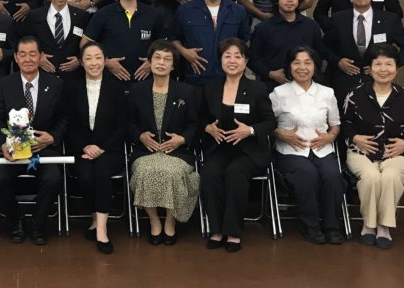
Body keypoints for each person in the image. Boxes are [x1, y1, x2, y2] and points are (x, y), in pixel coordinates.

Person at [342, 43, 404, 249]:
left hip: (396, 154)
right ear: (370, 68)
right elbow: (344, 123)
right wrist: (355, 138)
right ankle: (369, 224)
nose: (383, 69)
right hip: (361, 153)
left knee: (391, 176)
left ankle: (384, 226)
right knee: (371, 177)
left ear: (396, 68)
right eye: (378, 64)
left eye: (389, 64)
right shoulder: (355, 94)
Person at [199, 38, 277, 251]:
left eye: (237, 56)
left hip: (249, 151)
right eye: (227, 56)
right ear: (220, 60)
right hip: (219, 148)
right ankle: (216, 230)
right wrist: (208, 127)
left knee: (235, 173)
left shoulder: (257, 88)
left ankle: (233, 232)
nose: (232, 61)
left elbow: (270, 122)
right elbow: (201, 118)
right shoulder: (211, 87)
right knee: (210, 174)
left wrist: (249, 130)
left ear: (246, 61)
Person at [0, 36, 67, 245]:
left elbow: (64, 118)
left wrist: (53, 137)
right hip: (13, 150)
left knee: (53, 179)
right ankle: (17, 222)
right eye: (22, 54)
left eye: (33, 54)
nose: (28, 59)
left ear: (41, 56)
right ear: (15, 57)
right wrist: (3, 144)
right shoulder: (3, 84)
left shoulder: (56, 84)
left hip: (44, 150)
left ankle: (38, 224)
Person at [127, 40, 200, 245]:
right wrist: (140, 136)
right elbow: (128, 123)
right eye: (157, 58)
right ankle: (154, 220)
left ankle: (170, 221)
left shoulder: (186, 91)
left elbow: (194, 124)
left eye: (167, 59)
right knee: (145, 171)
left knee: (173, 172)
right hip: (146, 151)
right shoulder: (137, 91)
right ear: (149, 62)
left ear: (173, 65)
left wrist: (182, 139)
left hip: (177, 152)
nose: (161, 63)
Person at [270, 46, 344, 245]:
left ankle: (331, 226)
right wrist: (279, 133)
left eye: (307, 62)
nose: (302, 67)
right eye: (296, 62)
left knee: (332, 176)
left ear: (315, 66)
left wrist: (330, 136)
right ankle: (310, 225)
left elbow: (336, 124)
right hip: (290, 150)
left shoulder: (327, 93)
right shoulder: (279, 93)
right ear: (289, 66)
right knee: (307, 173)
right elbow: (267, 123)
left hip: (322, 149)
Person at [65, 42, 128, 254]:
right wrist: (85, 146)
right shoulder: (71, 88)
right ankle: (94, 218)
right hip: (81, 149)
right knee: (85, 176)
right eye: (88, 58)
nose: (94, 63)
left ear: (105, 60)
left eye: (98, 57)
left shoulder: (116, 88)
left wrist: (101, 147)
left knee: (101, 170)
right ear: (81, 62)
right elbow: (68, 124)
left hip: (110, 149)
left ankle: (101, 229)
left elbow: (122, 126)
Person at [322, 0, 404, 104]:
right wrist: (337, 61)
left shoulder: (389, 20)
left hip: (376, 82)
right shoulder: (338, 19)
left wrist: (387, 65)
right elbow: (323, 47)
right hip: (344, 82)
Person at [169, 0, 252, 86]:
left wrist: (236, 60)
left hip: (229, 80)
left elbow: (246, 41)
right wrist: (184, 52)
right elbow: (173, 39)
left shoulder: (238, 11)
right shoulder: (184, 10)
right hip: (195, 79)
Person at [83, 0, 168, 84]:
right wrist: (106, 62)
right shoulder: (103, 14)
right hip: (110, 82)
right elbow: (84, 44)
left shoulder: (154, 14)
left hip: (145, 83)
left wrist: (153, 62)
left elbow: (165, 46)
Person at [249, 0, 325, 90]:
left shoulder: (311, 26)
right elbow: (252, 60)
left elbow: (319, 56)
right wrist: (271, 74)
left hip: (305, 87)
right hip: (272, 88)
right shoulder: (263, 28)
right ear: (276, 0)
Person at [22, 0, 89, 79]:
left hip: (74, 78)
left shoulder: (82, 17)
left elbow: (90, 45)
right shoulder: (34, 16)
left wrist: (80, 59)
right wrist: (37, 57)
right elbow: (24, 42)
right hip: (44, 78)